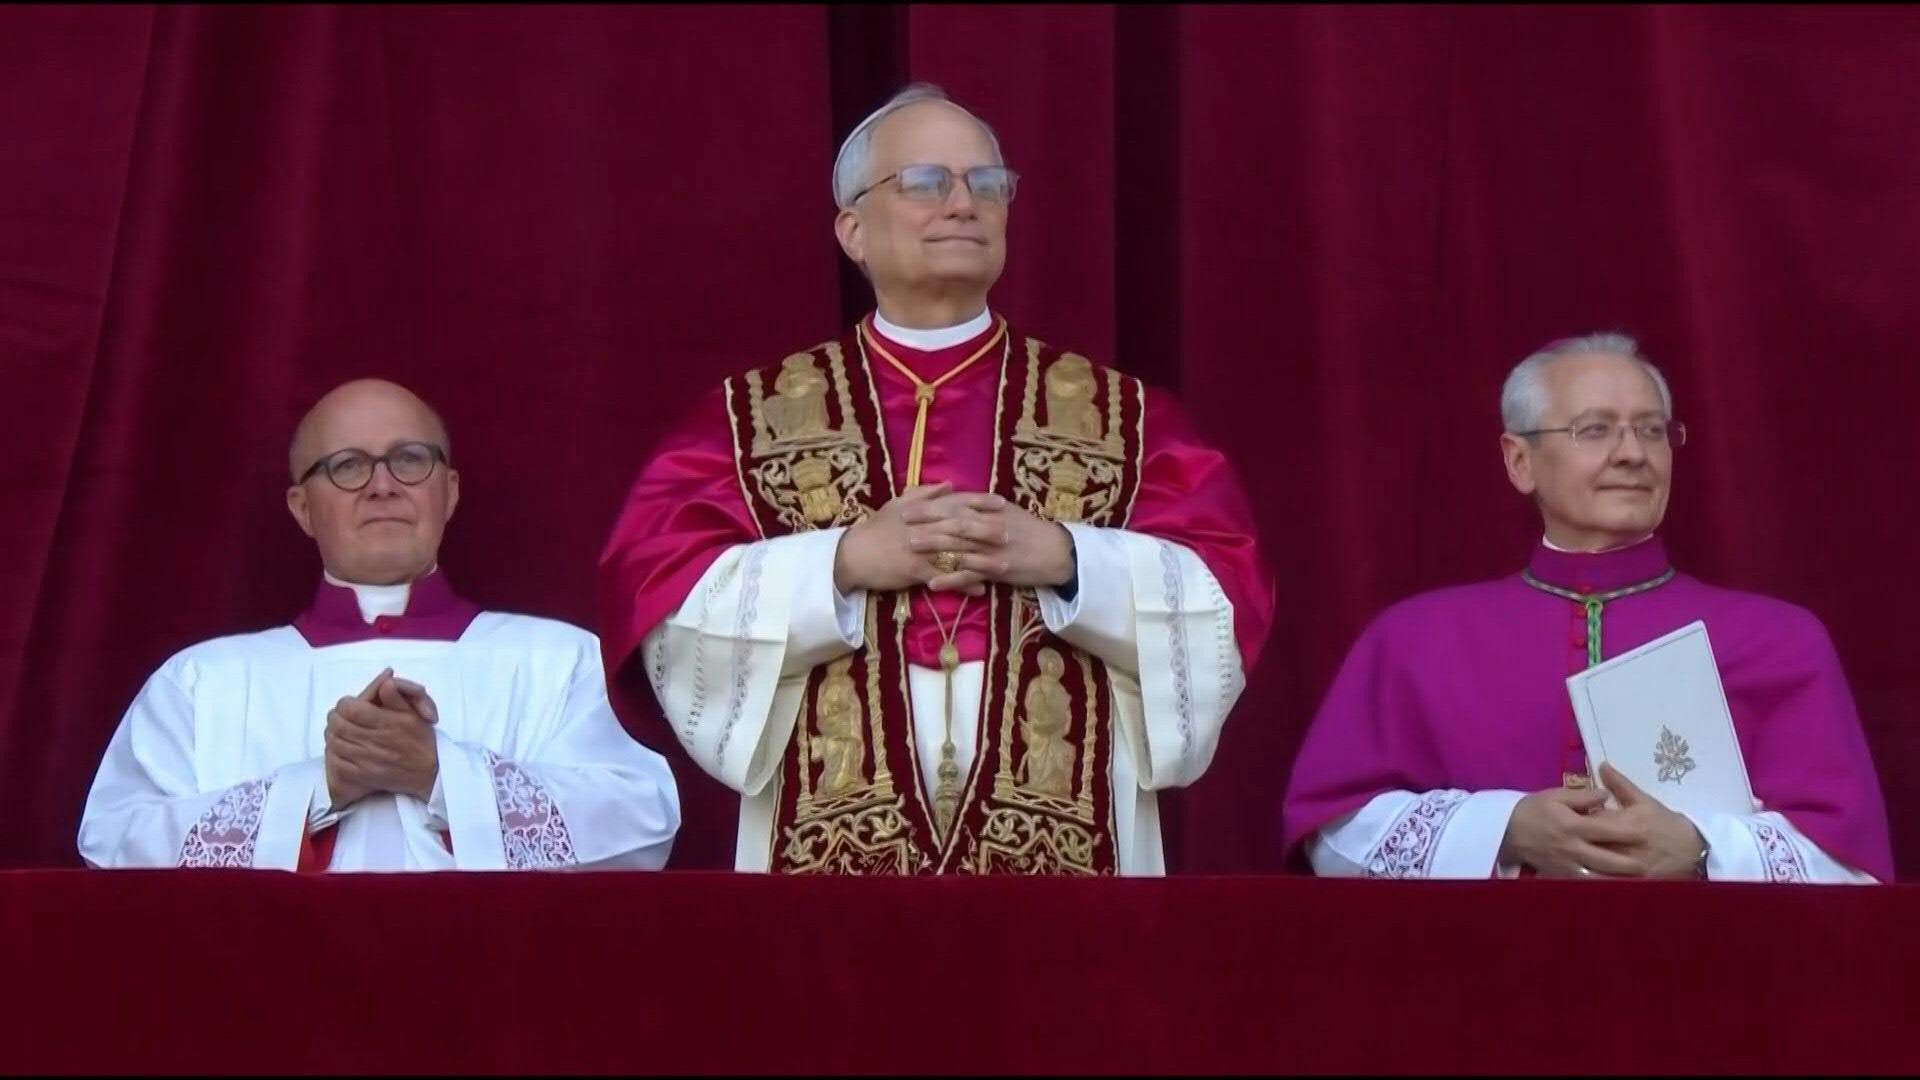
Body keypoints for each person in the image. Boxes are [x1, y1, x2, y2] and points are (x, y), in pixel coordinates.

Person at [599, 84, 1274, 875]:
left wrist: (1069, 559)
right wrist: (842, 564)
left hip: (1066, 812)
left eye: (987, 185)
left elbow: (1226, 595)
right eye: (926, 183)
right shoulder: (749, 422)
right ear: (852, 229)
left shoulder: (1120, 416)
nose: (963, 204)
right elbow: (662, 599)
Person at [1281, 334, 1892, 882]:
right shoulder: (1414, 640)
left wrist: (1700, 846)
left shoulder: (1778, 641)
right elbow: (1333, 837)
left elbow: (1850, 866)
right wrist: (1505, 828)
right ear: (1519, 461)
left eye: (1652, 429)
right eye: (1595, 430)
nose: (1632, 453)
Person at [80, 379, 680, 871]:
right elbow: (113, 843)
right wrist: (317, 791)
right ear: (302, 508)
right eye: (347, 466)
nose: (383, 485)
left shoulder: (563, 662)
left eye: (409, 459)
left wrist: (444, 776)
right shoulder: (200, 682)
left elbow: (642, 822)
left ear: (448, 493)